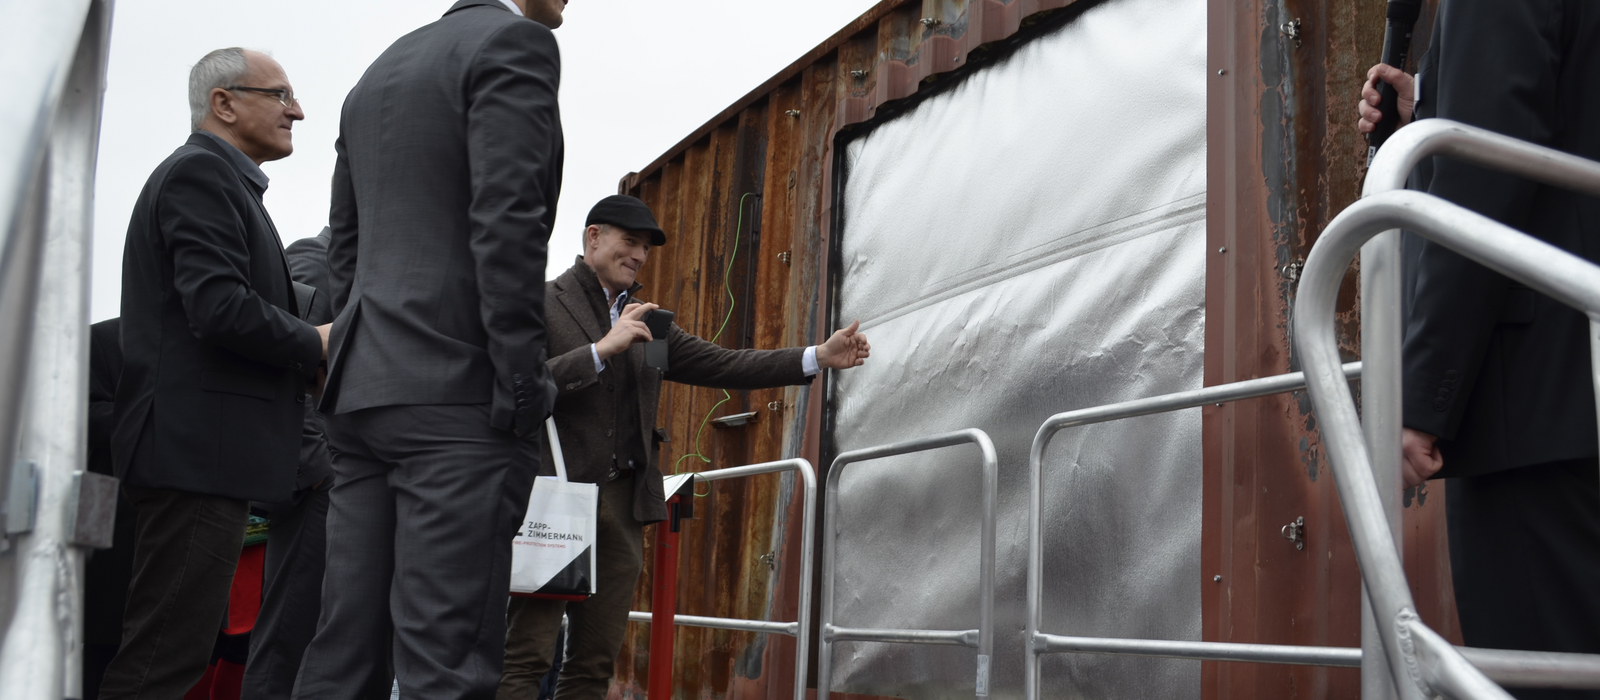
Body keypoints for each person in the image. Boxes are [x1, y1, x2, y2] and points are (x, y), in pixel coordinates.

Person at [294, 0, 566, 697]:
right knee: (444, 661)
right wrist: (523, 382)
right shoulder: (515, 43)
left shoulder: (378, 73)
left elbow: (344, 247)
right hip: (458, 395)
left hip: (363, 394)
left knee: (344, 648)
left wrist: (352, 356)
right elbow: (509, 222)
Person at [497, 195, 872, 700]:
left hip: (624, 506)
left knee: (593, 663)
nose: (639, 255)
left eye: (646, 248)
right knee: (527, 656)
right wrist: (600, 350)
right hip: (554, 502)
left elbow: (726, 364)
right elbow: (514, 389)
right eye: (629, 242)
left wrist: (816, 357)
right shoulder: (540, 303)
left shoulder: (649, 324)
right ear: (593, 238)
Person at [1358, 3, 1600, 697]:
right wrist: (1434, 107)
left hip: (1535, 405)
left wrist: (1421, 394)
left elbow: (1479, 193)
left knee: (1550, 676)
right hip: (1579, 380)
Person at [103, 47, 327, 700]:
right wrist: (314, 342)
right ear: (223, 103)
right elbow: (219, 307)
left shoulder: (223, 183)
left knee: (174, 650)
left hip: (203, 456)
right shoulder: (201, 176)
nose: (298, 111)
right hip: (194, 456)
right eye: (280, 95)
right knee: (163, 659)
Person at [243, 227, 336, 700]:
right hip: (315, 486)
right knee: (286, 638)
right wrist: (317, 467)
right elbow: (279, 364)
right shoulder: (316, 260)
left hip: (341, 482)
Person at [84, 317, 135, 700]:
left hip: (182, 512)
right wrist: (148, 420)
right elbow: (81, 416)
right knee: (101, 645)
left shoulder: (204, 342)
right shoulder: (103, 338)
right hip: (113, 514)